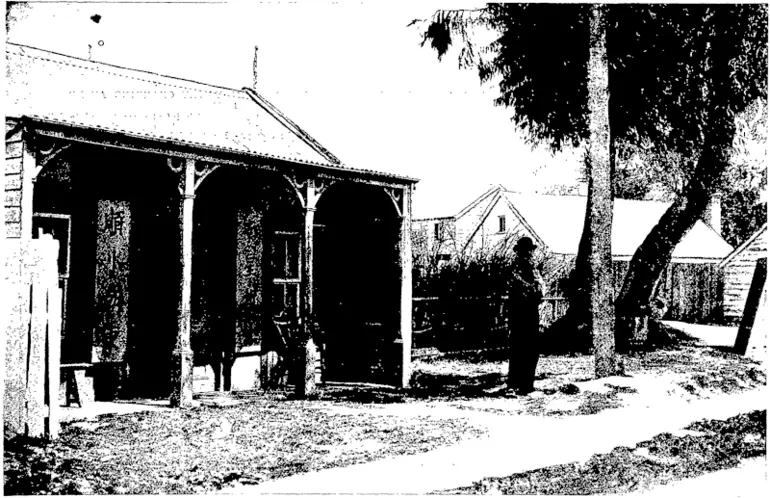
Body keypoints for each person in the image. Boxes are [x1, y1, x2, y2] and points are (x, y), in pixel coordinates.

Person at [506, 236, 545, 394]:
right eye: (527, 250)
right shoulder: (515, 268)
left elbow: (540, 290)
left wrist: (537, 289)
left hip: (530, 311)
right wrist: (533, 288)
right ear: (521, 251)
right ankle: (517, 384)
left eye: (530, 250)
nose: (529, 253)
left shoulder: (533, 268)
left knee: (529, 348)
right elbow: (524, 289)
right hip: (520, 311)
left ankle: (525, 384)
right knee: (520, 348)